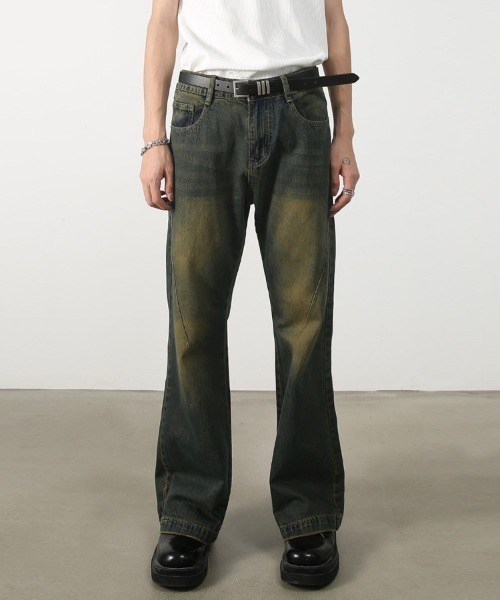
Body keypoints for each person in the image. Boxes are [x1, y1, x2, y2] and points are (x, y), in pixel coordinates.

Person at [139, 0, 360, 589]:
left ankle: (308, 513)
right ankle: (187, 512)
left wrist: (345, 130)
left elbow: (333, 17)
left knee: (305, 323)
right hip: (203, 113)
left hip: (300, 109)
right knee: (194, 322)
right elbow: (163, 19)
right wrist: (152, 138)